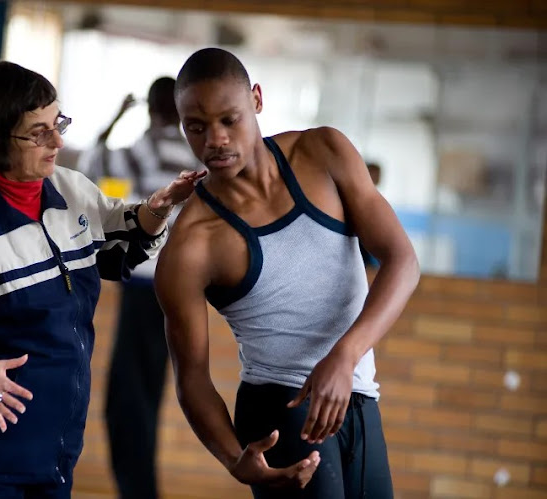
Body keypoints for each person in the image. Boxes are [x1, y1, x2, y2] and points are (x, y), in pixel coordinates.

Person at [0, 61, 205, 498]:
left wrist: (158, 206)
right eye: (39, 132)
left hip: (53, 457)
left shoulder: (70, 191)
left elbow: (115, 240)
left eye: (58, 123)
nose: (58, 141)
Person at [155, 48, 419, 498]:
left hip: (357, 393)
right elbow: (192, 378)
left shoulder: (323, 152)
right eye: (196, 127)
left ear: (256, 100)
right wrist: (234, 460)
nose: (215, 140)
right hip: (280, 408)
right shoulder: (191, 244)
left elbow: (403, 261)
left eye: (229, 120)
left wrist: (345, 355)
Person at [78, 77, 201, 499]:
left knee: (125, 401)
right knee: (150, 392)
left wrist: (114, 119)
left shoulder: (144, 148)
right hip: (181, 290)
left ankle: (138, 491)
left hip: (145, 285)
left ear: (150, 108)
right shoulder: (192, 153)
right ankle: (142, 489)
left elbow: (92, 166)